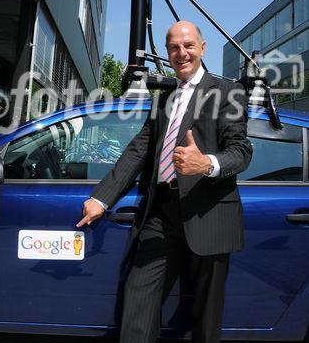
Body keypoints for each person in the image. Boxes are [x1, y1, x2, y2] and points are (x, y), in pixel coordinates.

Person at [77, 21, 252, 343]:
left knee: (205, 318)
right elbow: (138, 151)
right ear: (167, 53)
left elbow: (241, 151)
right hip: (161, 214)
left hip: (210, 213)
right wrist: (102, 198)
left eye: (188, 45)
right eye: (174, 47)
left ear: (202, 48)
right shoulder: (164, 99)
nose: (181, 53)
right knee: (138, 300)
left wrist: (206, 163)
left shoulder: (229, 93)